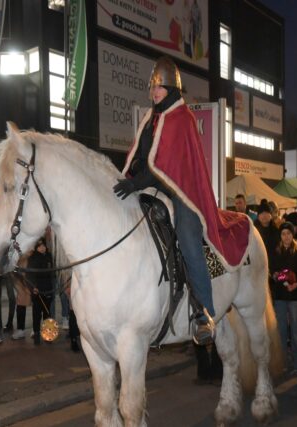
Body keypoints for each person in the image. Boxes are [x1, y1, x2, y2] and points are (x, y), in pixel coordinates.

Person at [113, 56, 226, 344]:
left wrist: (137, 182)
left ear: (172, 89)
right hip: (151, 188)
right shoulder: (151, 119)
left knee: (187, 237)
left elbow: (169, 166)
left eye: (160, 88)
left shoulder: (182, 117)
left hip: (180, 192)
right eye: (152, 88)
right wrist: (125, 178)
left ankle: (203, 312)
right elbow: (141, 156)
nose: (154, 93)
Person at [270, 222, 297, 377]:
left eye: (288, 233)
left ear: (292, 235)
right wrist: (274, 276)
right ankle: (281, 364)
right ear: (280, 237)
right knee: (280, 332)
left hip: (295, 298)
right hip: (280, 297)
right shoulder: (276, 253)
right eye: (283, 234)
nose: (286, 236)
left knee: (296, 332)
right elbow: (273, 273)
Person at [27, 237, 55, 346]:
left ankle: (48, 335)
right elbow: (29, 276)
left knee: (47, 314)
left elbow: (52, 273)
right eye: (40, 246)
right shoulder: (32, 258)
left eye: (43, 245)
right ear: (36, 248)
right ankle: (37, 335)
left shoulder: (49, 256)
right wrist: (32, 287)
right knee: (37, 314)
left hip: (48, 289)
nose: (42, 248)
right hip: (37, 291)